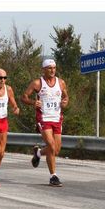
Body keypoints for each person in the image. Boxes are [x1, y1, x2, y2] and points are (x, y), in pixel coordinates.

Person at [21, 59, 69, 187]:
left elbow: (66, 97)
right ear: (43, 69)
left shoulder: (61, 82)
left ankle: (38, 153)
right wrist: (33, 102)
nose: (52, 70)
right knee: (51, 146)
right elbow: (24, 97)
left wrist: (65, 102)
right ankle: (53, 176)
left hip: (57, 118)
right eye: (49, 68)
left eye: (54, 68)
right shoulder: (37, 83)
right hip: (43, 118)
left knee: (56, 150)